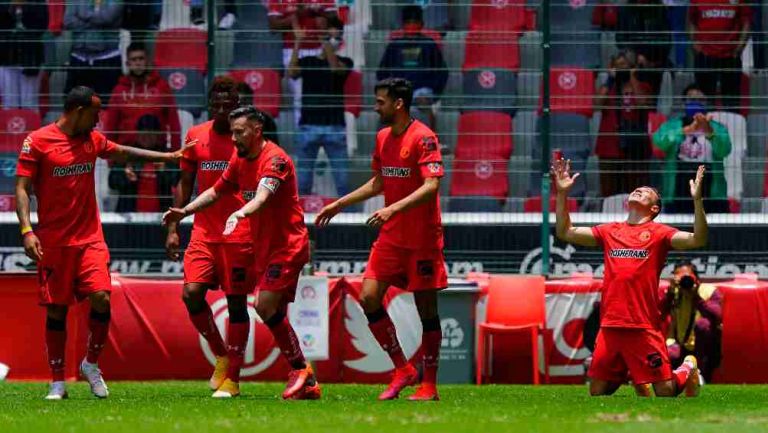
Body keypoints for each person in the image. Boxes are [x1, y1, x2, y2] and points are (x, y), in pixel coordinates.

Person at [15, 86, 189, 400]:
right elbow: (23, 188)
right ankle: (57, 382)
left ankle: (91, 363)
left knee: (101, 298)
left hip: (89, 239)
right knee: (56, 310)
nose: (98, 122)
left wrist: (168, 155)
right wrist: (27, 229)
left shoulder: (92, 140)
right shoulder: (38, 141)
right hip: (54, 242)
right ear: (79, 111)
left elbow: (124, 151)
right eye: (95, 115)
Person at [163, 106, 320, 400]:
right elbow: (216, 191)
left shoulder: (275, 160)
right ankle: (305, 381)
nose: (233, 138)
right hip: (264, 247)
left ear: (256, 131)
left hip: (287, 246)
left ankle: (301, 370)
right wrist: (184, 211)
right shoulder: (239, 158)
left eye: (239, 132)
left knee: (265, 306)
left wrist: (240, 213)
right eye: (232, 132)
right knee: (269, 309)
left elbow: (262, 196)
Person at [315, 78, 446, 401]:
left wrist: (393, 209)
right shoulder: (382, 137)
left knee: (426, 309)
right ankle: (402, 368)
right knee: (369, 296)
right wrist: (339, 203)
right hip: (391, 237)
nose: (375, 107)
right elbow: (378, 182)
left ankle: (429, 383)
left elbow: (431, 186)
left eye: (380, 101)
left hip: (422, 239)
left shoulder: (424, 138)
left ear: (398, 104)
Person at [552, 157, 707, 397]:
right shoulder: (609, 231)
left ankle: (688, 366)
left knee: (665, 391)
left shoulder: (660, 233)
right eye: (637, 189)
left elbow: (698, 239)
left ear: (654, 208)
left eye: (646, 192)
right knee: (598, 393)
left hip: (642, 325)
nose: (639, 191)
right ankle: (636, 377)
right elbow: (565, 232)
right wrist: (562, 194)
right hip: (610, 324)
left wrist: (697, 200)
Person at [162, 77, 258, 398]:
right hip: (203, 230)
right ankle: (221, 354)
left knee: (236, 303)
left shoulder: (246, 137)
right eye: (215, 103)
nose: (220, 109)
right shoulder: (195, 136)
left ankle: (233, 377)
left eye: (226, 104)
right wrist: (175, 227)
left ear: (236, 104)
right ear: (208, 104)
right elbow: (185, 182)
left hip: (238, 230)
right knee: (191, 293)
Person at [288, 17, 352, 198]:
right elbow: (292, 72)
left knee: (342, 181)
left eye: (334, 37)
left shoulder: (346, 62)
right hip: (309, 126)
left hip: (335, 127)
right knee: (303, 182)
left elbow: (334, 69)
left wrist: (326, 43)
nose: (331, 41)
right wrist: (298, 42)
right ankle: (300, 219)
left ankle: (349, 220)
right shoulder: (308, 61)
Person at [652, 84, 731, 214]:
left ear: (706, 102)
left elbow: (725, 150)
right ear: (684, 103)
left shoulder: (717, 127)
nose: (695, 103)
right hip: (679, 186)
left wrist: (710, 133)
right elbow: (659, 142)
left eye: (700, 99)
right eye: (691, 99)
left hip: (710, 186)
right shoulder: (673, 125)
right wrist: (685, 131)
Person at [595, 50, 654, 197]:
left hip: (635, 148)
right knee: (609, 192)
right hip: (609, 147)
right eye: (618, 66)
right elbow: (597, 104)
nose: (621, 69)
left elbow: (642, 102)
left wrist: (632, 77)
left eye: (625, 66)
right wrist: (610, 79)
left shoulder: (642, 86)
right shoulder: (609, 88)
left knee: (635, 192)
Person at [377, 6, 448, 130]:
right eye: (408, 23)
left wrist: (434, 93)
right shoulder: (394, 45)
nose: (412, 26)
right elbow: (382, 72)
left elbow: (442, 72)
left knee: (424, 104)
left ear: (421, 24)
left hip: (423, 90)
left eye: (415, 22)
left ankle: (432, 141)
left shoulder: (429, 44)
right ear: (403, 24)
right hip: (398, 89)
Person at [268, 0, 339, 122]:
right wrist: (293, 18)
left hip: (319, 49)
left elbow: (334, 18)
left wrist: (317, 11)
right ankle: (302, 128)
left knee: (320, 91)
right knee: (299, 93)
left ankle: (320, 127)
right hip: (293, 49)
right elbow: (273, 25)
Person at [102, 43, 181, 151]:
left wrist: (175, 151)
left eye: (141, 58)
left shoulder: (162, 86)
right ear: (128, 63)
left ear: (147, 61)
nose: (138, 63)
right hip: (127, 151)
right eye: (134, 60)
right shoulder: (119, 90)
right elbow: (111, 125)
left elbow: (173, 121)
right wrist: (110, 156)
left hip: (157, 150)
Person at [660, 260, 722, 383]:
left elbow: (717, 316)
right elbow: (660, 314)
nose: (684, 280)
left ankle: (701, 373)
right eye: (680, 277)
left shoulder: (708, 290)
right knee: (668, 355)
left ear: (695, 277)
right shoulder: (674, 292)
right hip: (680, 343)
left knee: (703, 325)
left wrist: (696, 297)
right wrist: (670, 295)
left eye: (687, 277)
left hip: (704, 346)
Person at [688, 0, 751, 111]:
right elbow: (691, 21)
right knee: (704, 100)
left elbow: (746, 23)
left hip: (730, 56)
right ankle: (705, 127)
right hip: (705, 56)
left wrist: (739, 48)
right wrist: (695, 44)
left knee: (731, 102)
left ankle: (731, 127)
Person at [108, 115, 178, 212]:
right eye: (142, 132)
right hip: (130, 217)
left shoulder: (166, 155)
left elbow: (176, 180)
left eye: (150, 133)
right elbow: (112, 182)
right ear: (137, 134)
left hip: (161, 216)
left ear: (158, 135)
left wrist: (164, 171)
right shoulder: (126, 154)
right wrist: (125, 176)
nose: (146, 136)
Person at [63, 0, 124, 104]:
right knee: (75, 105)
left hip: (107, 58)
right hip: (80, 57)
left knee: (106, 104)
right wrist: (96, 25)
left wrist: (81, 15)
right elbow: (68, 21)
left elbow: (107, 18)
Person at [0, 0, 48, 111]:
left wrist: (24, 6)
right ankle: (11, 126)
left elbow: (41, 26)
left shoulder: (38, 3)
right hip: (6, 55)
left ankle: (30, 126)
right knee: (9, 100)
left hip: (30, 56)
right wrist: (11, 6)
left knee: (30, 100)